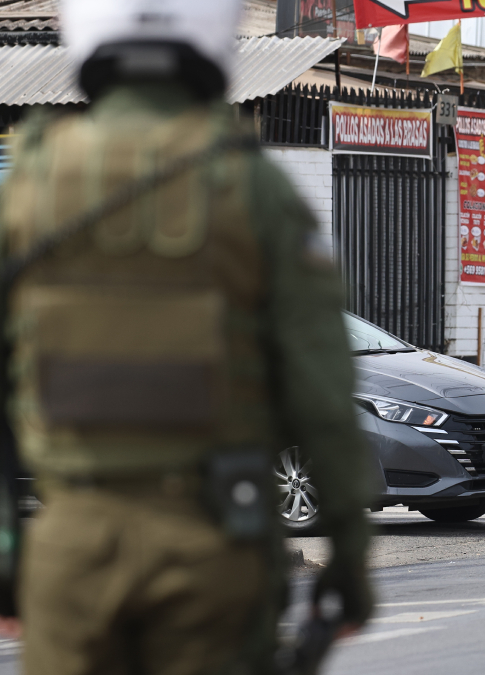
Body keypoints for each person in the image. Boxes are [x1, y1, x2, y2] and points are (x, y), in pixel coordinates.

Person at [0, 1, 374, 671]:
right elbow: (322, 397)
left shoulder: (25, 189)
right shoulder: (255, 189)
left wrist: (6, 553)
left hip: (70, 553)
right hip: (213, 552)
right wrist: (348, 558)